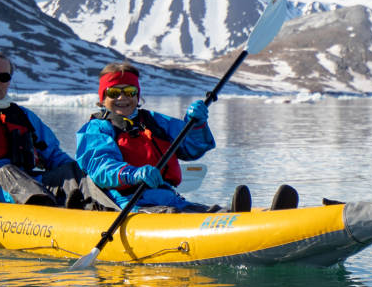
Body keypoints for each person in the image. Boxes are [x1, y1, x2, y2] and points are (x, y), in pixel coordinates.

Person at [0, 13, 109, 209]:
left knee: (71, 169)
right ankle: (48, 213)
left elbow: (54, 156)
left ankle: (97, 207)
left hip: (25, 182)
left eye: (3, 77)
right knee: (7, 172)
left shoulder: (23, 116)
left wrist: (79, 175)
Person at [75, 62, 252, 213]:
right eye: (114, 93)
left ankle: (233, 216)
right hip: (127, 203)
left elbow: (193, 148)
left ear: (137, 96)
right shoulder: (96, 129)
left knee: (199, 210)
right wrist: (133, 174)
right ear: (103, 98)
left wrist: (197, 125)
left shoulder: (155, 121)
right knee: (172, 213)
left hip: (168, 197)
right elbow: (99, 166)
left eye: (129, 91)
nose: (122, 97)